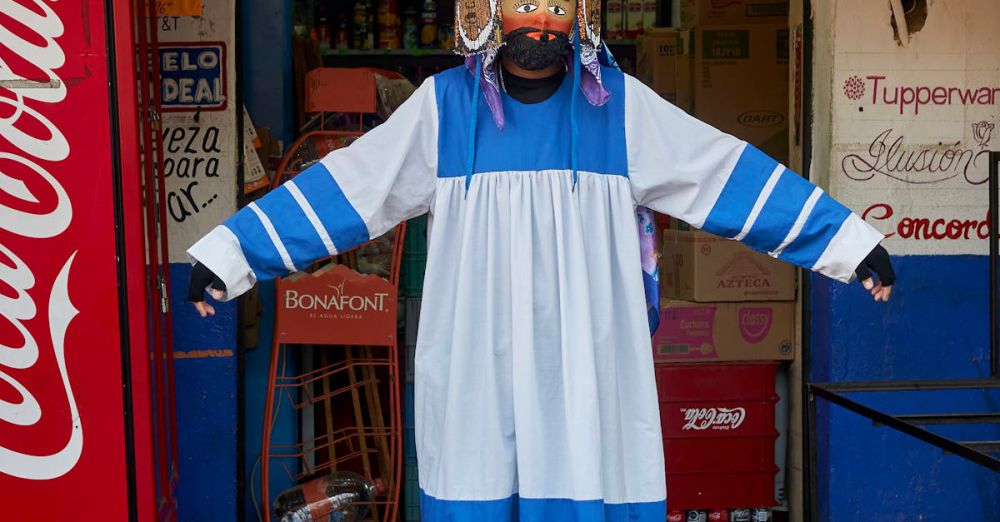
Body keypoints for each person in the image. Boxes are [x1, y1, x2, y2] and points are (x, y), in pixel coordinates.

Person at [187, 0, 895, 519]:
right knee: (474, 489)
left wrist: (845, 241)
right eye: (525, 3)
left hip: (588, 368)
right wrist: (233, 252)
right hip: (475, 368)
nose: (541, 22)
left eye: (556, 5)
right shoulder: (445, 111)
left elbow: (722, 174)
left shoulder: (619, 109)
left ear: (582, 13)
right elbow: (350, 188)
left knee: (589, 485)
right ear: (486, 11)